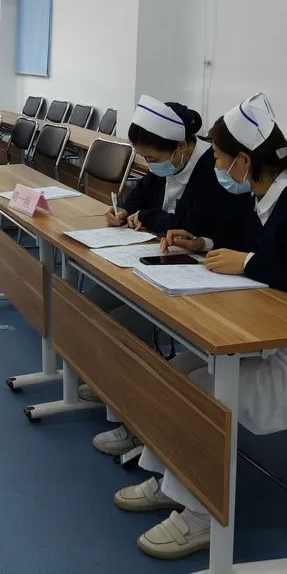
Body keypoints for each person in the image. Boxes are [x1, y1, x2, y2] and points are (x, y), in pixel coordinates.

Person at [115, 93, 287, 561]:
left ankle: (201, 517)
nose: (216, 166)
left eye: (221, 158)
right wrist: (206, 244)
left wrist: (248, 263)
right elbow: (274, 259)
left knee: (207, 397)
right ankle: (171, 480)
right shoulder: (272, 197)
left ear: (244, 161)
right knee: (182, 373)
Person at [88, 95, 259, 457]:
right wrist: (124, 211)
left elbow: (193, 226)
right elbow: (142, 196)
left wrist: (151, 217)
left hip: (204, 271)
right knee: (95, 301)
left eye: (153, 158)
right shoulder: (164, 162)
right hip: (175, 258)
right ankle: (112, 386)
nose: (150, 166)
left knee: (126, 322)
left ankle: (137, 419)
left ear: (181, 147)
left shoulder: (213, 171)